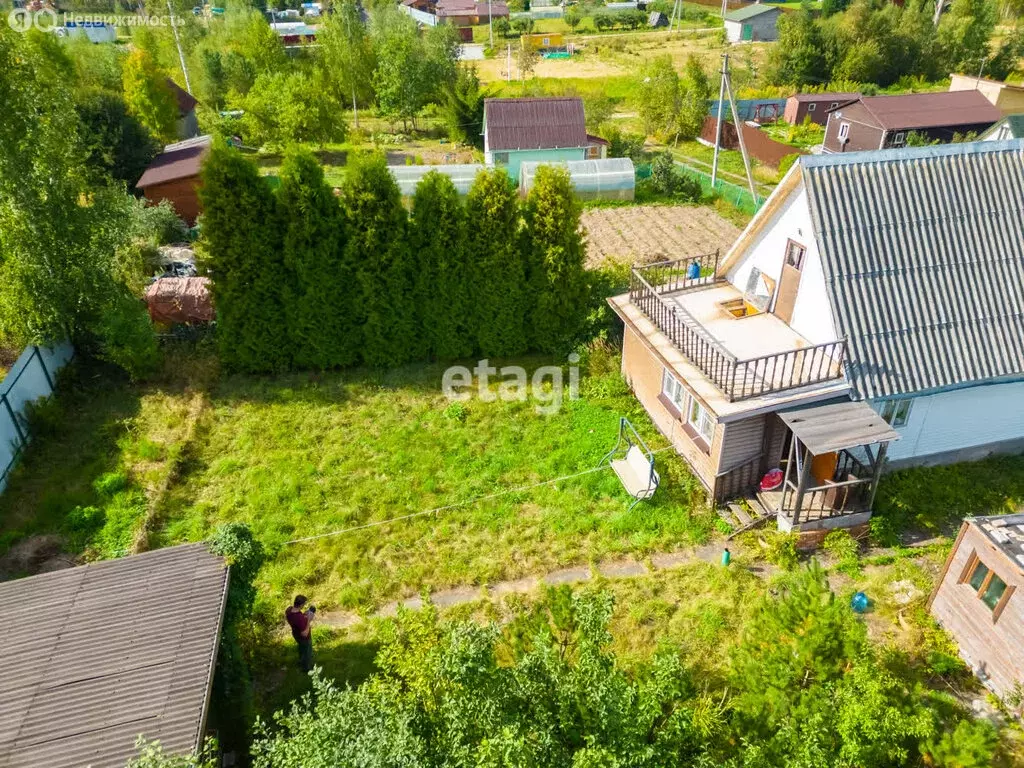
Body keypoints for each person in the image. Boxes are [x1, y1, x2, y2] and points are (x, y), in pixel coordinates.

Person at [285, 594, 315, 672]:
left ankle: (301, 662)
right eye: (304, 604)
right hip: (304, 638)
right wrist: (308, 620)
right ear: (301, 604)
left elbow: (294, 618)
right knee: (307, 653)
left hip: (295, 634)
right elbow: (304, 633)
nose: (304, 605)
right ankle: (306, 669)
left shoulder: (289, 610)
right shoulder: (299, 618)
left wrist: (304, 614)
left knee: (301, 649)